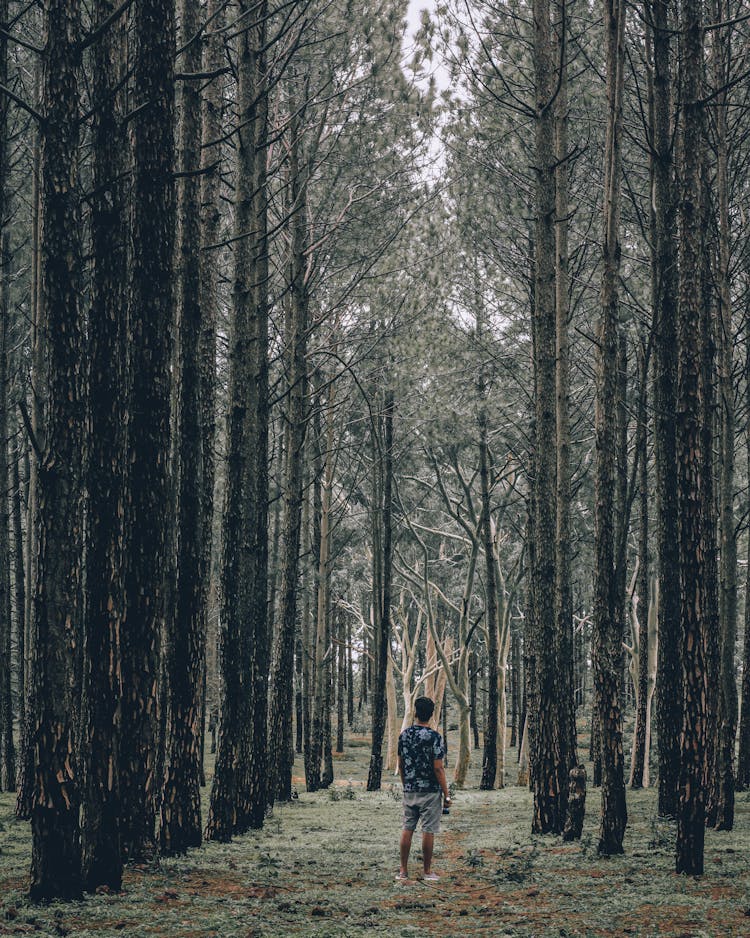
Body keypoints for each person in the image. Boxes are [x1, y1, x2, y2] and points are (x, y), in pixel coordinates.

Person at [396, 696, 452, 882]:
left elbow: (401, 764)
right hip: (430, 790)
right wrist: (447, 793)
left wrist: (407, 785)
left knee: (407, 828)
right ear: (432, 714)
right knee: (428, 829)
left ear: (415, 712)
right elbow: (438, 767)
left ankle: (403, 871)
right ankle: (427, 871)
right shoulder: (435, 737)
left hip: (410, 789)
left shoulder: (404, 735)